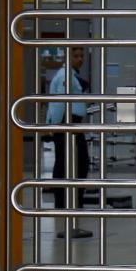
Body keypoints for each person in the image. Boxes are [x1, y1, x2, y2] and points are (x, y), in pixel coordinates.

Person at [46, 46, 92, 239]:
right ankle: (69, 209)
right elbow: (60, 102)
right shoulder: (66, 76)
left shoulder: (67, 75)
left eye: (82, 56)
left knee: (70, 165)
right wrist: (57, 126)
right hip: (68, 125)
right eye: (76, 56)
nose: (80, 59)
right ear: (68, 57)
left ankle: (68, 208)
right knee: (76, 167)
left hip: (69, 124)